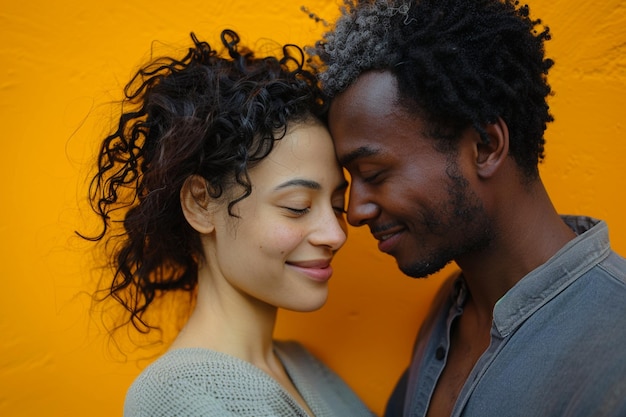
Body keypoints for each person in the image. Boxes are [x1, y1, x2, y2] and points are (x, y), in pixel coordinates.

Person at [311, 0, 626, 416]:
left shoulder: (615, 345)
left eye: (374, 172)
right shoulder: (450, 311)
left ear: (485, 146)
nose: (355, 212)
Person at [83, 29, 375, 417]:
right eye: (297, 206)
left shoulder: (302, 364)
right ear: (201, 204)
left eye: (337, 204)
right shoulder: (177, 400)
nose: (336, 234)